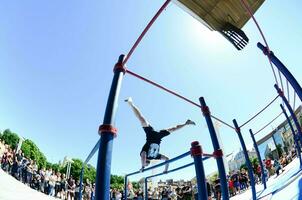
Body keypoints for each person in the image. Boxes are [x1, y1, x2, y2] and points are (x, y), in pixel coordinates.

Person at [125, 97, 196, 172]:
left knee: (142, 120)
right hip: (159, 137)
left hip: (150, 134)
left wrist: (142, 167)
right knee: (173, 129)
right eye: (147, 163)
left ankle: (131, 103)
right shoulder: (155, 157)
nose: (147, 163)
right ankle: (186, 123)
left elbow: (143, 157)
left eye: (146, 163)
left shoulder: (143, 153)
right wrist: (166, 170)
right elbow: (167, 159)